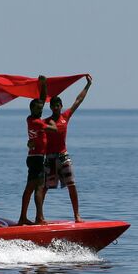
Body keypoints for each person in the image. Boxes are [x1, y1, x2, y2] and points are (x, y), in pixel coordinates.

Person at [43, 74, 92, 223]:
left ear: (61, 106)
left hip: (64, 156)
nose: (56, 108)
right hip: (50, 158)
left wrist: (87, 85)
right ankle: (40, 216)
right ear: (51, 107)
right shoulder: (46, 122)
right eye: (53, 106)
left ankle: (77, 215)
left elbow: (78, 100)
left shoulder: (66, 116)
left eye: (58, 106)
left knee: (72, 185)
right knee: (44, 188)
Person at [19, 75, 58, 225]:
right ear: (32, 109)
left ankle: (25, 217)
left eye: (41, 109)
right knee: (38, 188)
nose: (41, 111)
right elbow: (53, 129)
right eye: (38, 109)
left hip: (34, 157)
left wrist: (44, 84)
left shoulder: (31, 118)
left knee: (32, 188)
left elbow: (42, 99)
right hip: (36, 159)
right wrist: (52, 121)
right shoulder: (36, 122)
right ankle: (39, 218)